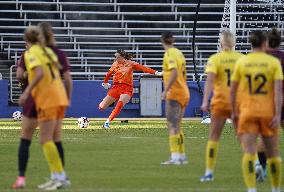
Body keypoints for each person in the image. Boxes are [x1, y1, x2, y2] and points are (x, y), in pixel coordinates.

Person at [12, 22, 72, 189]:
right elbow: (65, 77)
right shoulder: (52, 53)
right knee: (55, 139)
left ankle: (59, 176)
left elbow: (37, 73)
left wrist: (26, 91)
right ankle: (58, 176)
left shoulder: (32, 53)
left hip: (44, 98)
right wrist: (67, 97)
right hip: (58, 95)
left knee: (43, 139)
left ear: (27, 40)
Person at [231, 30, 283, 192]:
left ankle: (251, 189)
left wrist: (234, 112)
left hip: (248, 111)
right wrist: (277, 114)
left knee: (249, 152)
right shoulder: (273, 63)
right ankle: (275, 189)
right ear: (264, 43)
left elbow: (233, 91)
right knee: (273, 153)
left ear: (250, 43)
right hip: (267, 111)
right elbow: (278, 91)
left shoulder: (242, 62)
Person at [199, 31, 243, 181]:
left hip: (220, 102)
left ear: (221, 42)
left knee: (213, 137)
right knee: (243, 137)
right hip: (237, 103)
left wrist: (205, 101)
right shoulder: (242, 58)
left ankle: (209, 172)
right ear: (234, 42)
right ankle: (255, 163)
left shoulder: (215, 59)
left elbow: (209, 81)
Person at [99, 49, 162, 128]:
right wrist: (105, 83)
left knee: (119, 104)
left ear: (122, 57)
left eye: (117, 57)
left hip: (127, 88)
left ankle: (107, 122)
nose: (116, 59)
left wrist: (156, 72)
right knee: (101, 107)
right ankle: (106, 116)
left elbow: (143, 68)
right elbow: (108, 74)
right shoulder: (114, 64)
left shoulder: (131, 64)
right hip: (116, 87)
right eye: (115, 57)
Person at [255, 27, 284, 182]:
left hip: (265, 102)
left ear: (266, 42)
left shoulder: (261, 59)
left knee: (263, 137)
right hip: (282, 100)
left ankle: (262, 168)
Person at [159, 32, 189, 165]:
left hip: (175, 92)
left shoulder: (169, 54)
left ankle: (175, 157)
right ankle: (181, 155)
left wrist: (165, 90)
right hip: (184, 91)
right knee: (177, 125)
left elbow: (174, 71)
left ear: (162, 41)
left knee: (172, 125)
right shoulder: (179, 53)